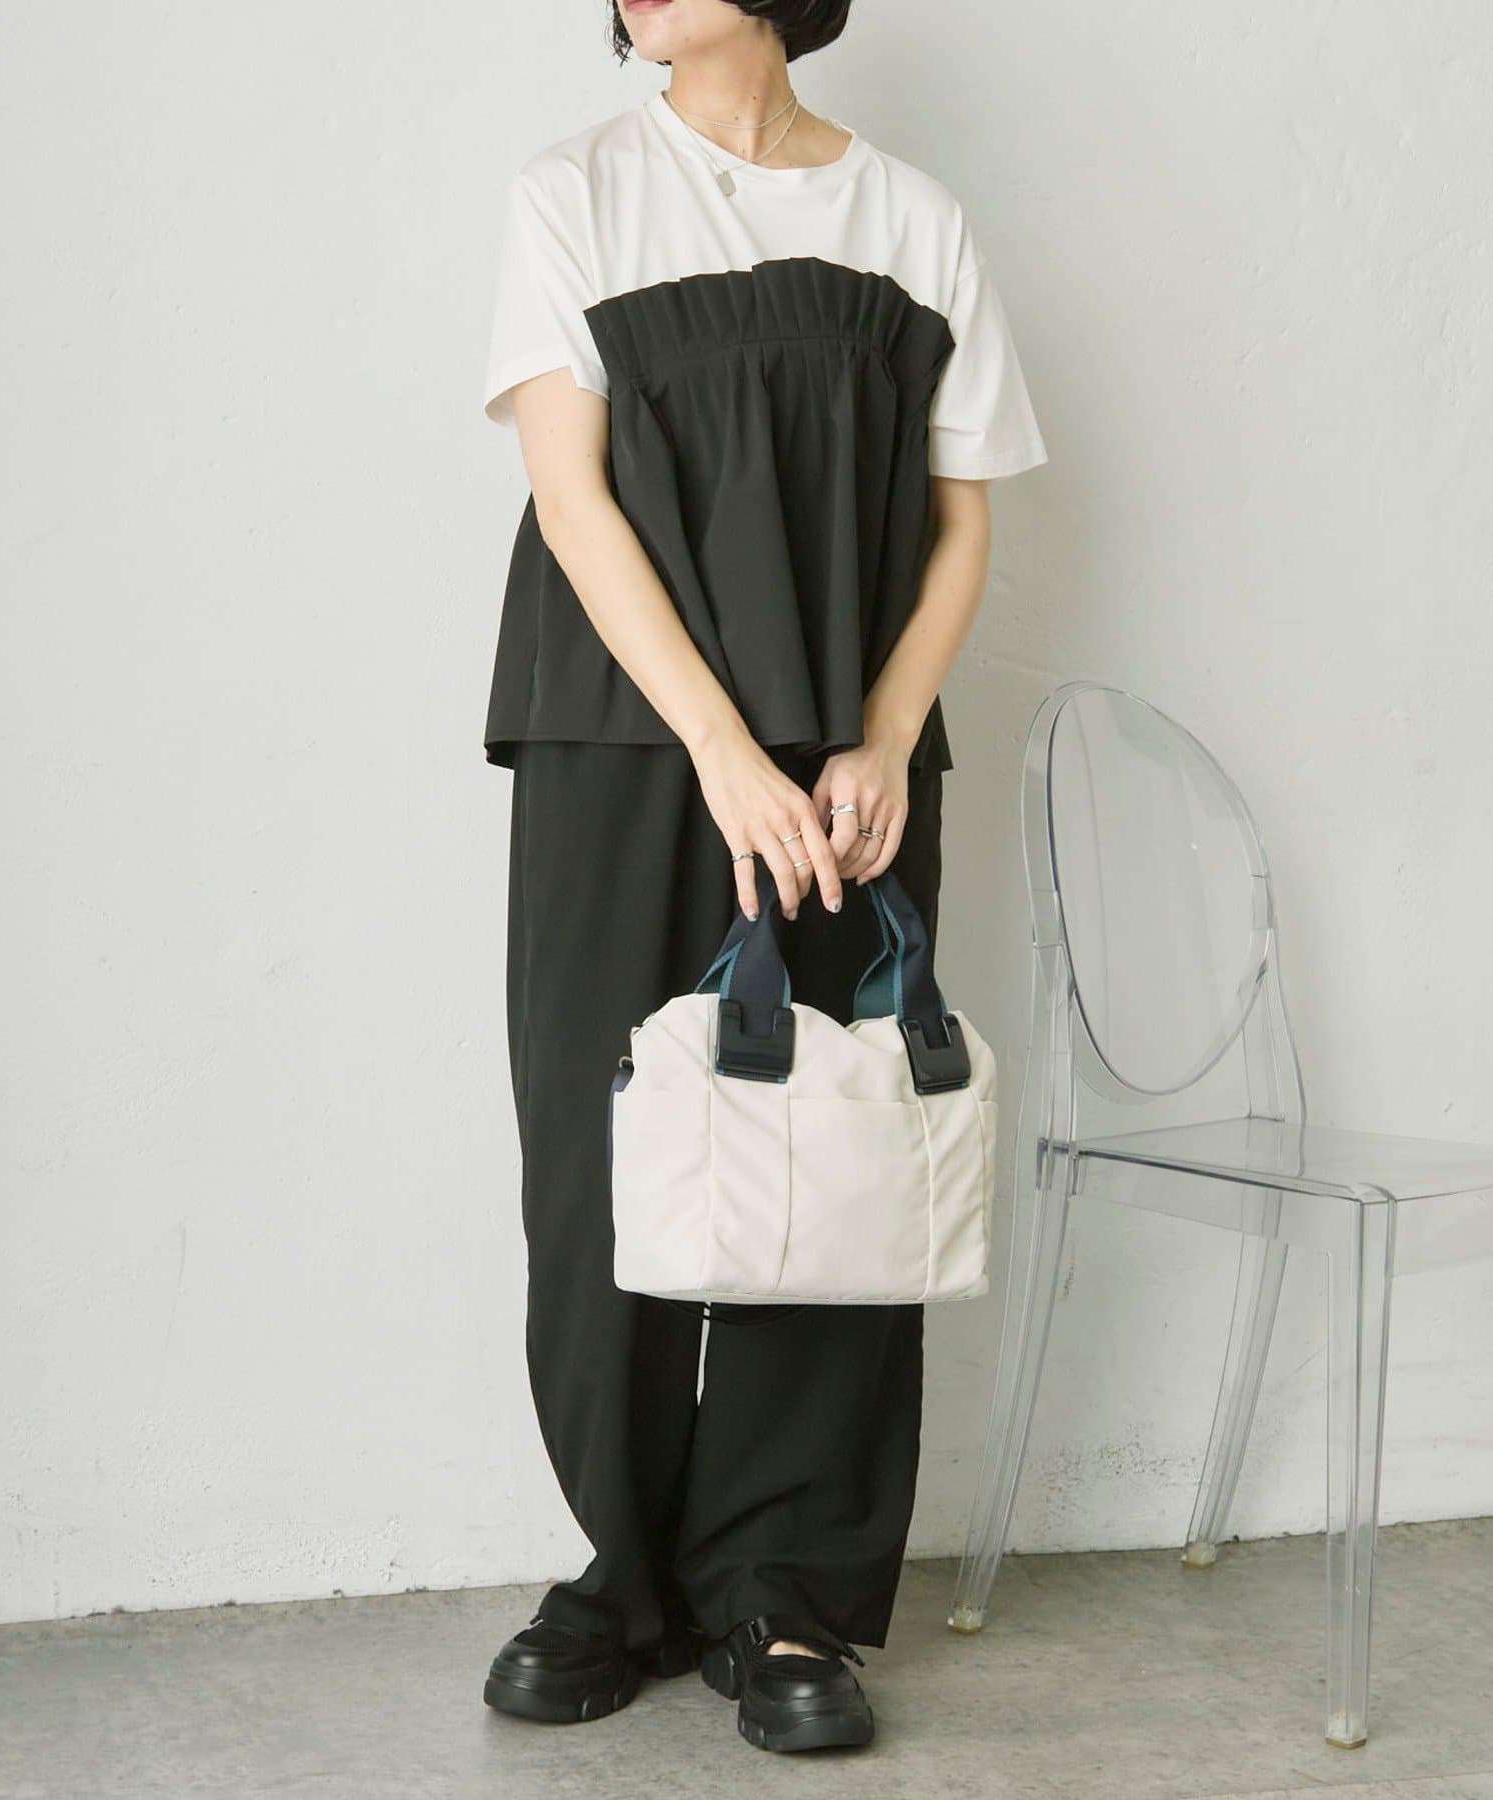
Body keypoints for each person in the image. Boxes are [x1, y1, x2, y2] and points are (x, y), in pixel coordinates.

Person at [477, 0, 1046, 1755]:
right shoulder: (575, 191)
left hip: (848, 762)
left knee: (835, 1158)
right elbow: (571, 501)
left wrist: (882, 733)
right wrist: (725, 749)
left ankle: (785, 1593)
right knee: (604, 1152)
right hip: (625, 741)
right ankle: (622, 1578)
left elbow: (964, 518)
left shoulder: (911, 221)